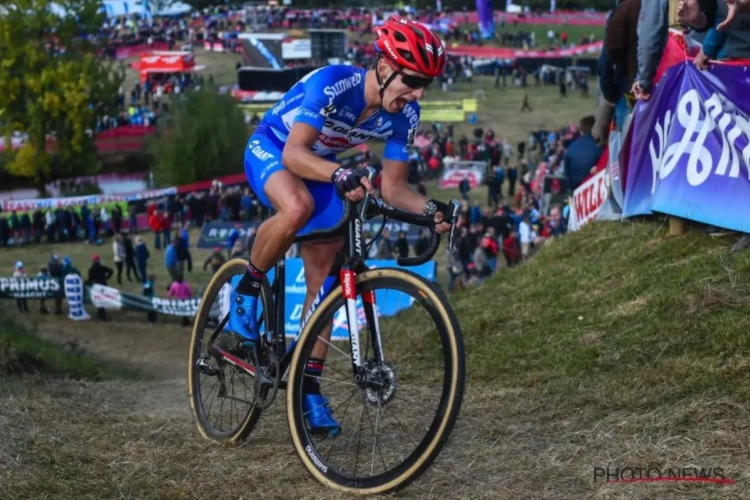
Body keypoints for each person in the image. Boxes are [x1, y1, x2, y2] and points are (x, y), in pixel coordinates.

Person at [235, 15, 458, 435]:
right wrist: (338, 175)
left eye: (426, 83)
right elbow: (294, 155)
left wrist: (431, 210)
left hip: (321, 168)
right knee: (297, 206)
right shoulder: (335, 84)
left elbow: (393, 188)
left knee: (328, 281)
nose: (418, 93)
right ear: (387, 67)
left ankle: (307, 388)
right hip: (275, 149)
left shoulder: (404, 115)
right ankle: (247, 286)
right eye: (412, 79)